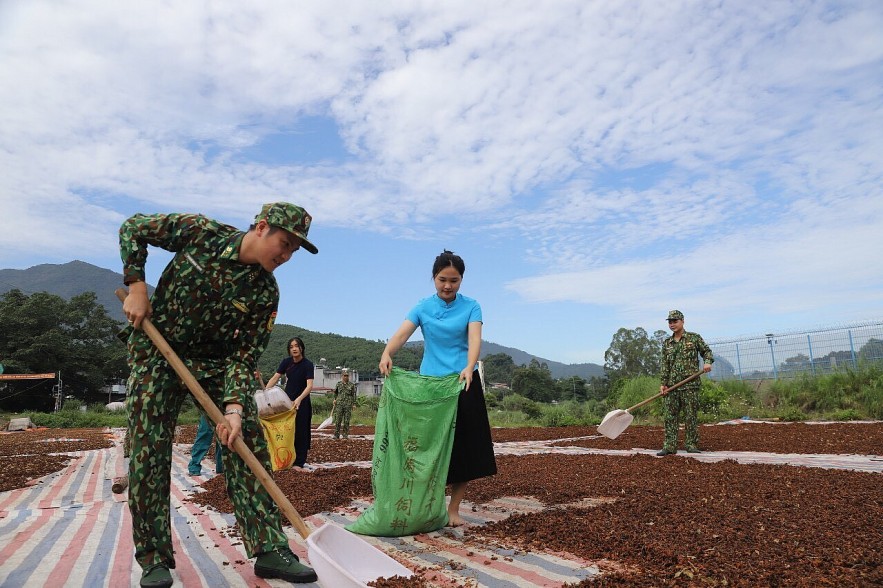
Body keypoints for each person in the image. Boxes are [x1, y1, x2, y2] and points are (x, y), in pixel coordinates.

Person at [120, 202, 319, 587]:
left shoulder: (264, 293)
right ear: (262, 227)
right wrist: (137, 286)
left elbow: (242, 357)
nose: (287, 255)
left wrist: (233, 410)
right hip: (157, 352)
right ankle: (154, 559)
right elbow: (134, 228)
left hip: (215, 365)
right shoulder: (201, 233)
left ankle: (269, 549)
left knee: (247, 444)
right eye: (285, 243)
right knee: (148, 451)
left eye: (295, 250)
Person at [379, 250, 497, 527]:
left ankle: (453, 509)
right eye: (443, 279)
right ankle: (423, 504)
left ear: (461, 280)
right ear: (433, 278)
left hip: (462, 382)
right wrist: (387, 353)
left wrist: (470, 366)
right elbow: (401, 335)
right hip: (430, 387)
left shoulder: (472, 306)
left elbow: (475, 338)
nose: (448, 285)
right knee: (426, 446)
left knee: (462, 447)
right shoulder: (422, 307)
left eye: (454, 281)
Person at [658, 310, 714, 456]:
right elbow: (665, 365)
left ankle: (691, 444)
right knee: (670, 417)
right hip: (672, 387)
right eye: (670, 322)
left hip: (690, 385)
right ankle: (669, 446)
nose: (672, 324)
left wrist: (707, 362)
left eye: (675, 321)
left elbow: (707, 352)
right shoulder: (666, 343)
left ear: (682, 321)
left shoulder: (694, 338)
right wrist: (663, 384)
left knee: (690, 416)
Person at [264, 337, 313, 468]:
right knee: (286, 429)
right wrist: (264, 393)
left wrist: (299, 399)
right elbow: (275, 378)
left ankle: (299, 461)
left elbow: (309, 386)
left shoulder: (308, 365)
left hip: (302, 401)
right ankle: (284, 457)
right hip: (286, 401)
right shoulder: (286, 362)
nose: (294, 349)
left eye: (296, 346)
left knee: (301, 431)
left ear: (301, 348)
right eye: (291, 347)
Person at [331, 369, 357, 439]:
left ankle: (345, 435)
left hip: (348, 405)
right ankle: (336, 435)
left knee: (346, 420)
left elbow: (353, 395)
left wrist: (354, 404)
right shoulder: (338, 384)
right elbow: (335, 393)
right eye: (345, 376)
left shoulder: (352, 385)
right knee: (338, 420)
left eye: (347, 376)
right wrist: (334, 399)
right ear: (342, 376)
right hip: (339, 404)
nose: (346, 377)